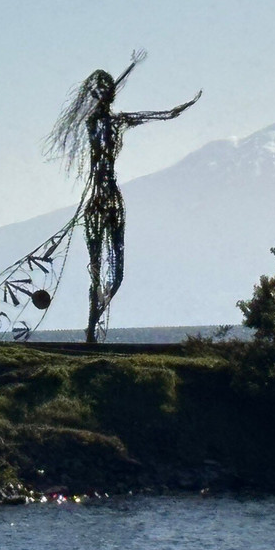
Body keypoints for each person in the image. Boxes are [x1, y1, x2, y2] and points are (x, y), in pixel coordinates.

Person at [46, 51, 201, 342]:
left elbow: (152, 115)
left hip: (111, 197)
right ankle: (91, 330)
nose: (109, 96)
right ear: (96, 95)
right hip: (97, 199)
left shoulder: (117, 122)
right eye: (103, 92)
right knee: (96, 267)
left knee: (116, 272)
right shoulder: (94, 124)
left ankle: (96, 317)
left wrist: (177, 110)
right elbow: (105, 118)